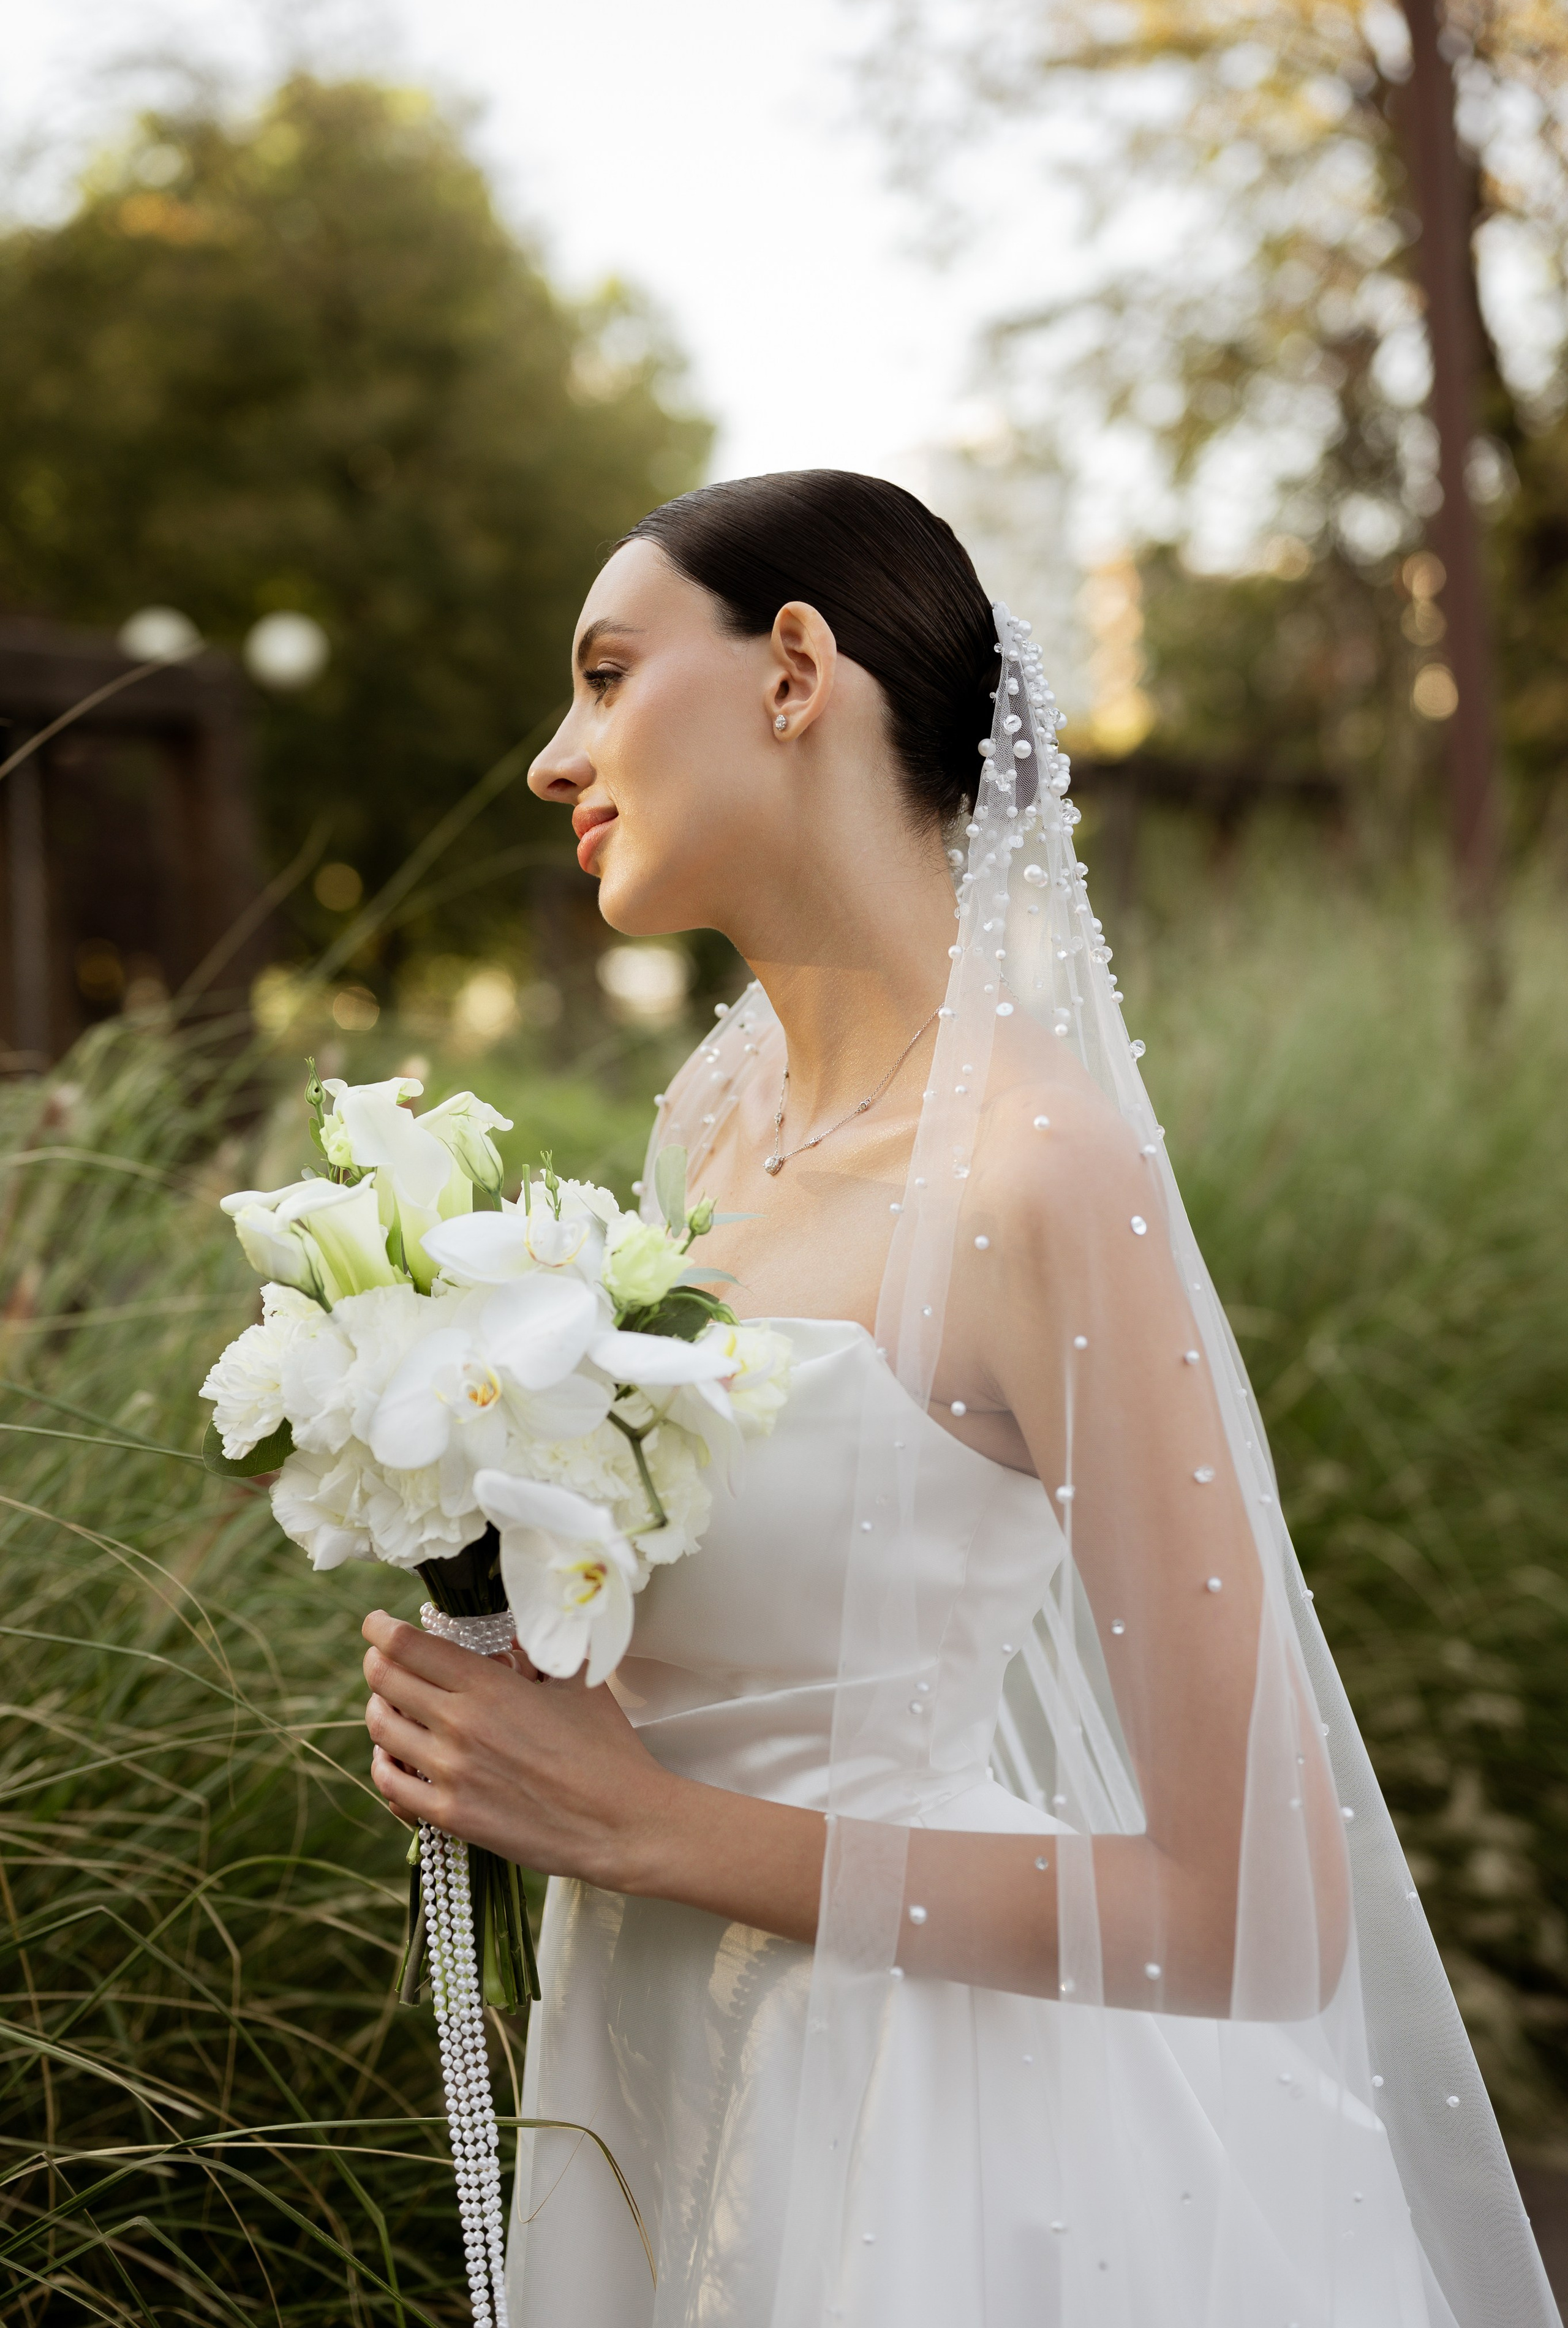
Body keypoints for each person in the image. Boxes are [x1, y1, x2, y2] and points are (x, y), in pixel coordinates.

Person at [361, 470, 1557, 2326]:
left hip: (921, 2130)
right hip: (658, 2059)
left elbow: (1263, 1914)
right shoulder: (713, 1121)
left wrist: (650, 1829)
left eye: (605, 677)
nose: (553, 756)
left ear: (794, 670)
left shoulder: (1038, 1176)